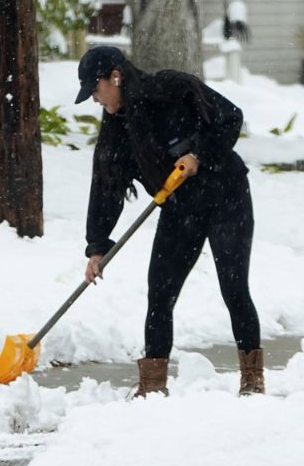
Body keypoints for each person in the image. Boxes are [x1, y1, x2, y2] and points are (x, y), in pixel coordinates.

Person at [73, 45, 264, 398]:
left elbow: (230, 117)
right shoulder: (118, 127)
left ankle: (252, 380)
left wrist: (198, 154)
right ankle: (153, 387)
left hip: (227, 198)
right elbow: (106, 185)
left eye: (95, 90)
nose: (95, 100)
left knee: (233, 288)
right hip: (179, 208)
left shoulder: (172, 89)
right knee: (160, 293)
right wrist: (97, 246)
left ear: (115, 76)